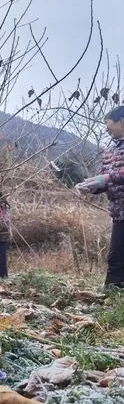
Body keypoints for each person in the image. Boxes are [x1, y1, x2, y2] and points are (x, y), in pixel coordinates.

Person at [76, 106, 124, 288]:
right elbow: (104, 177)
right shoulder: (110, 150)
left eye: (108, 123)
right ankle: (112, 298)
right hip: (119, 212)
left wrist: (108, 177)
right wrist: (92, 187)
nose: (106, 128)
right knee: (116, 257)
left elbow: (110, 176)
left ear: (121, 121)